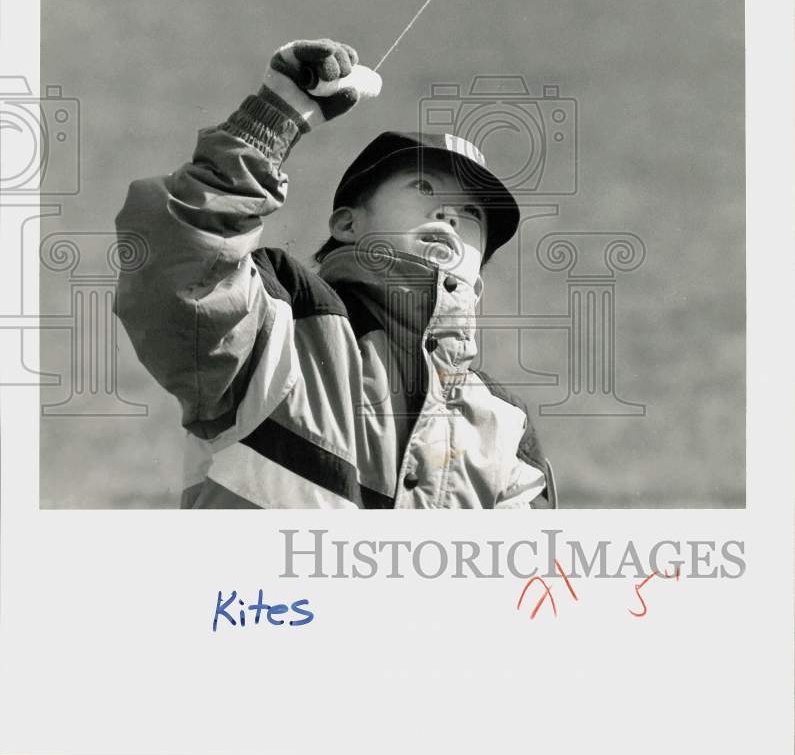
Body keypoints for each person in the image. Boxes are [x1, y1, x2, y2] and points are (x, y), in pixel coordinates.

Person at [113, 38, 556, 509]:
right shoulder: (280, 325)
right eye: (423, 186)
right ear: (347, 223)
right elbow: (180, 268)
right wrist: (273, 117)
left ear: (479, 279)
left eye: (470, 214)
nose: (448, 213)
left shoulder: (509, 428)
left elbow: (523, 579)